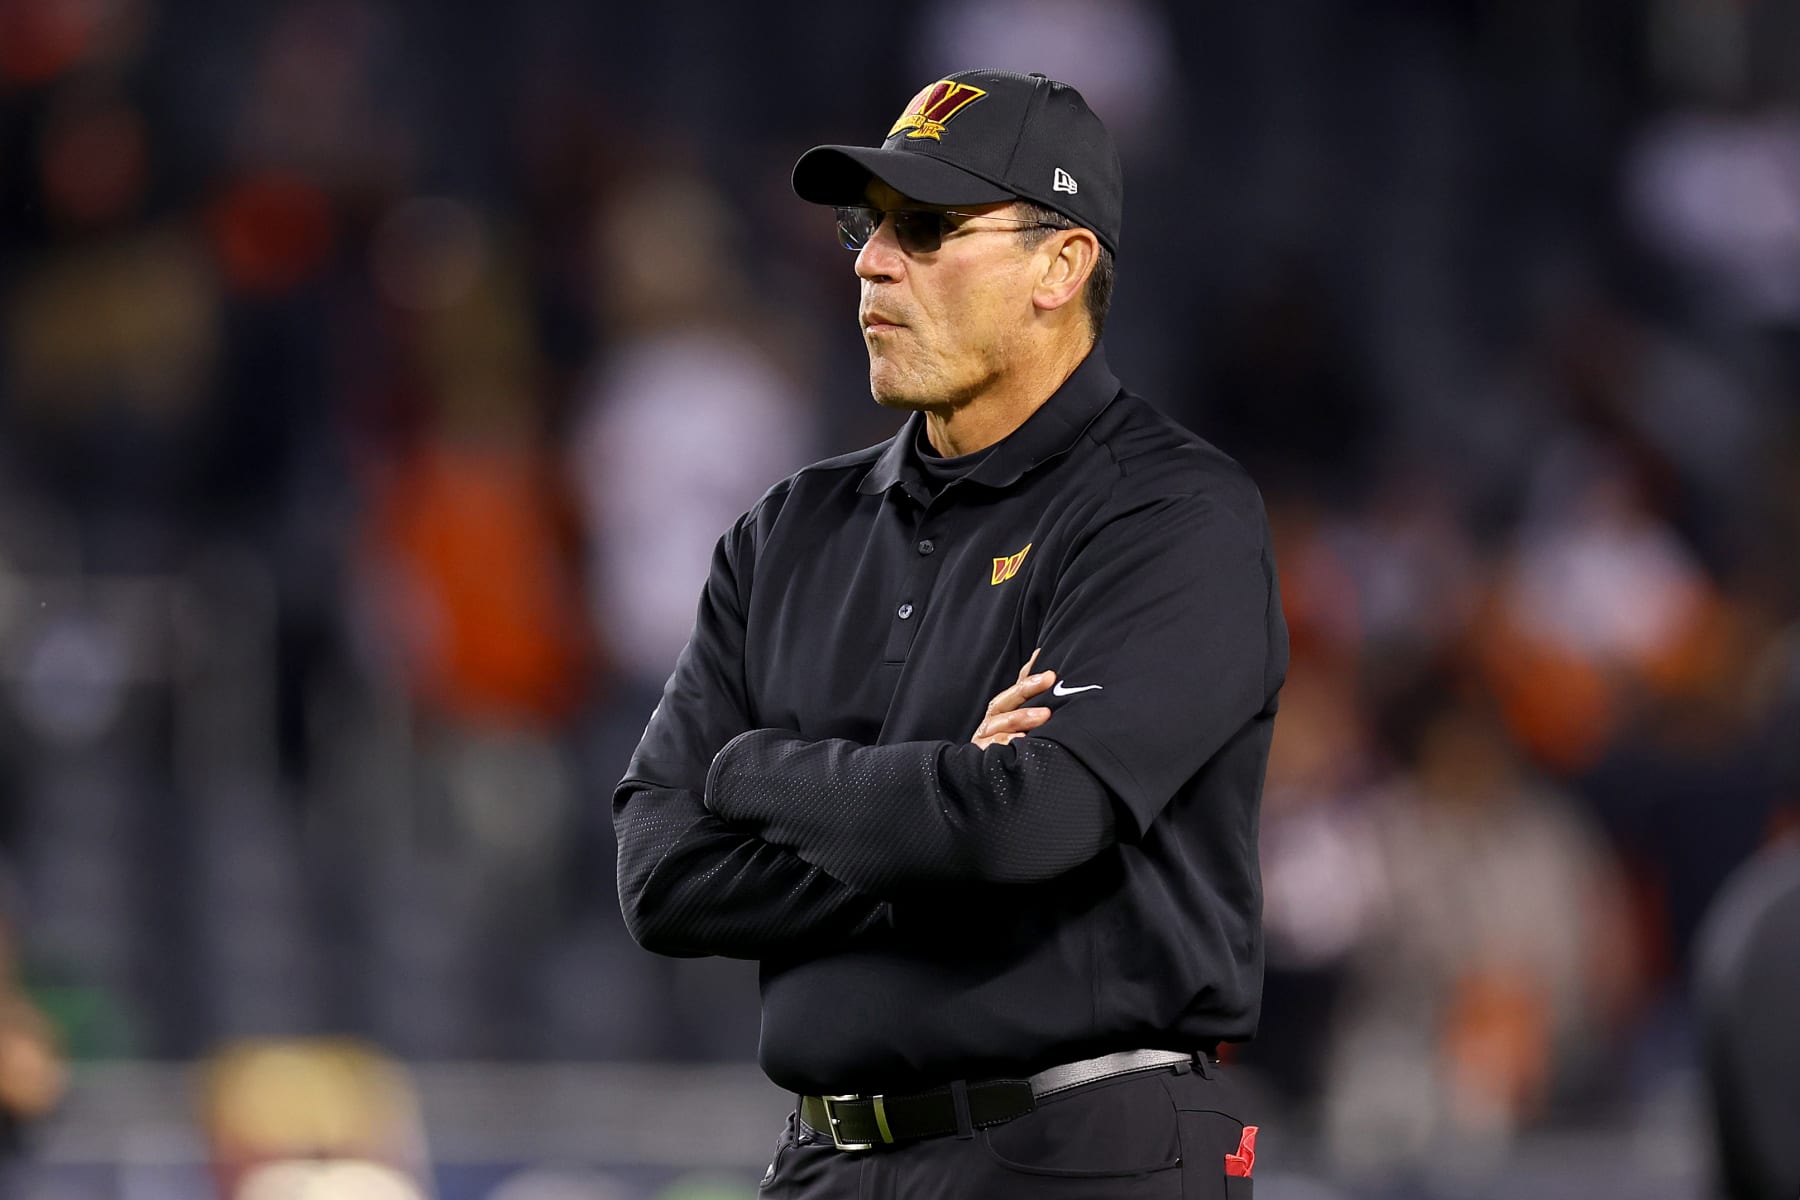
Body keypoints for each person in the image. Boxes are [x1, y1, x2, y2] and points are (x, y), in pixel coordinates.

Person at [613, 68, 1287, 1197]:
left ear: (1060, 266)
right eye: (866, 228)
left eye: (926, 229)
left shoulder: (1171, 515)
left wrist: (759, 771)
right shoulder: (787, 533)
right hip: (826, 1157)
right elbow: (661, 876)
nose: (873, 263)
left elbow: (1033, 821)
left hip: (1083, 1148)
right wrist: (935, 816)